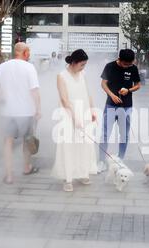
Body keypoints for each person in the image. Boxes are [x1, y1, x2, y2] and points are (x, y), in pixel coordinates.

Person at [0, 42, 41, 184]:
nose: (29, 54)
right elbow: (34, 91)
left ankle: (9, 175)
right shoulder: (29, 67)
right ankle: (26, 167)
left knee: (8, 142)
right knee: (27, 140)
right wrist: (38, 109)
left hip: (7, 111)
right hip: (26, 111)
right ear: (23, 52)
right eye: (28, 51)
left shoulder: (4, 66)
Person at [52, 49, 98, 192]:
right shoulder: (61, 76)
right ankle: (68, 178)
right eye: (81, 65)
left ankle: (83, 173)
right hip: (68, 114)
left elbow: (88, 93)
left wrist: (92, 110)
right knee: (68, 145)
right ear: (73, 62)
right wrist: (74, 118)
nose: (83, 67)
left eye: (84, 65)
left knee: (84, 144)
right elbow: (65, 100)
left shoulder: (83, 74)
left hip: (83, 112)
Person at [97, 49, 141, 172]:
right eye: (126, 64)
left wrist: (129, 90)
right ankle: (101, 161)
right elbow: (103, 84)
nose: (128, 66)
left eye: (130, 64)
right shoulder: (110, 66)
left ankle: (120, 160)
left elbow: (138, 85)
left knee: (124, 135)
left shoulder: (133, 68)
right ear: (119, 59)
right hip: (111, 105)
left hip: (126, 107)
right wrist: (112, 95)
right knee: (105, 134)